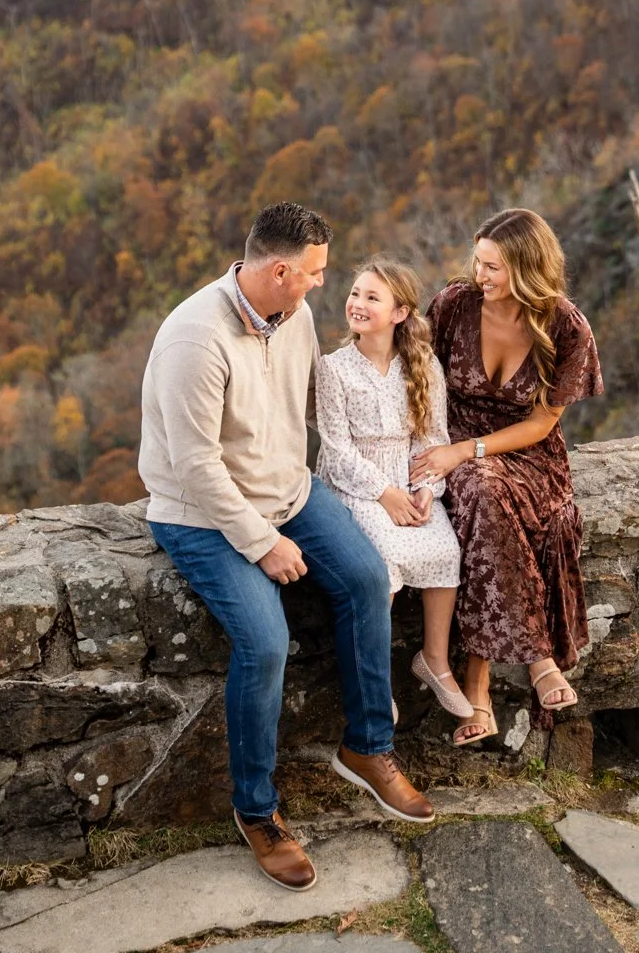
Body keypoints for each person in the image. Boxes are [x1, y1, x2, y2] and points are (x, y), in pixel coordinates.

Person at [139, 200, 434, 893]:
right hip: (202, 517)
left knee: (365, 579)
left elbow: (315, 409)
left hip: (289, 493)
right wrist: (261, 541)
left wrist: (393, 466)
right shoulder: (195, 338)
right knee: (265, 642)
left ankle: (368, 749)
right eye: (315, 273)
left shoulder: (292, 315)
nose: (322, 286)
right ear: (279, 270)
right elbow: (193, 465)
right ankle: (257, 811)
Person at [411, 207, 603, 746]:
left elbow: (542, 423)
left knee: (483, 488)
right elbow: (414, 373)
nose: (481, 276)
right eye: (478, 263)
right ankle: (536, 660)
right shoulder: (454, 306)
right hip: (453, 445)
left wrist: (464, 452)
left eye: (494, 267)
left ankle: (478, 680)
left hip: (528, 455)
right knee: (480, 492)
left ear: (527, 268)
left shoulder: (566, 327)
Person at [315, 257, 471, 721]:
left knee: (446, 551)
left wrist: (425, 487)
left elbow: (432, 438)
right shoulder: (333, 369)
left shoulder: (423, 367)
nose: (357, 304)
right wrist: (384, 492)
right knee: (381, 561)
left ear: (400, 312)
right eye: (354, 293)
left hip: (408, 480)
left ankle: (435, 661)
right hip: (355, 485)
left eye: (371, 297)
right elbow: (338, 450)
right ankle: (376, 680)